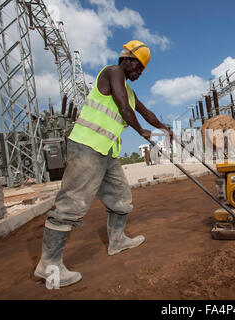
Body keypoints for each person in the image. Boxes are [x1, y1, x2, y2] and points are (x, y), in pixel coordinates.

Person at [34, 40, 173, 288]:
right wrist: (142, 132)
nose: (140, 73)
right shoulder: (113, 72)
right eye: (139, 67)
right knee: (71, 205)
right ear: (127, 60)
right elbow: (123, 109)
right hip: (87, 147)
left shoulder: (130, 91)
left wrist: (164, 128)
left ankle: (117, 241)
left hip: (107, 152)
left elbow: (145, 111)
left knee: (121, 198)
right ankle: (49, 266)